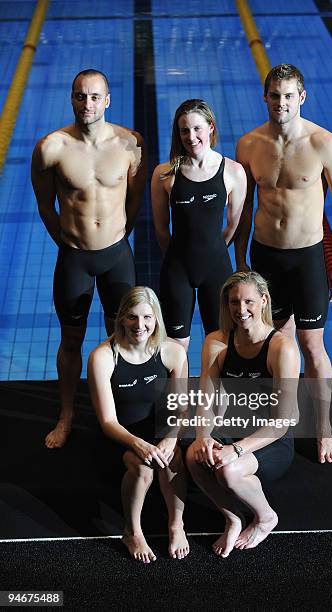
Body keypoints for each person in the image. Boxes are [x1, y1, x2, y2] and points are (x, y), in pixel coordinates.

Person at [235, 64, 332, 464]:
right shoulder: (249, 144)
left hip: (306, 256)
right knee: (275, 343)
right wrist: (239, 258)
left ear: (301, 97)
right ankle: (279, 421)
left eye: (289, 95)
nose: (281, 102)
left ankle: (324, 430)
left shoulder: (324, 144)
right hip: (265, 254)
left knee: (312, 345)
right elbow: (243, 205)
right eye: (275, 95)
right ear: (265, 97)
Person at [31, 69, 147, 449]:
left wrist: (118, 236)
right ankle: (67, 415)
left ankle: (119, 412)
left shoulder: (130, 143)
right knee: (71, 340)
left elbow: (134, 199)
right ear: (71, 98)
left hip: (117, 255)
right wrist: (64, 241)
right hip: (75, 259)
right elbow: (45, 205)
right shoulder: (51, 147)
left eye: (94, 96)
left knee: (126, 337)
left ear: (107, 100)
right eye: (80, 96)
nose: (87, 104)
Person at [186, 271, 300, 558]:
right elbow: (207, 401)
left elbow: (281, 422)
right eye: (234, 302)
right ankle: (233, 518)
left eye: (248, 301)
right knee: (193, 457)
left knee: (228, 470)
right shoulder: (217, 342)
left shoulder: (281, 348)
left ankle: (265, 518)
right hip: (233, 427)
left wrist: (235, 450)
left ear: (263, 301)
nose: (241, 310)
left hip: (271, 439)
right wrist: (203, 437)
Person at [87, 286, 190, 563]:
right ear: (121, 318)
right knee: (143, 467)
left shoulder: (172, 352)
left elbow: (181, 407)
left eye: (147, 317)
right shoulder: (103, 357)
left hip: (158, 431)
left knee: (174, 458)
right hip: (119, 437)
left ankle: (176, 524)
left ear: (156, 318)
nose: (140, 325)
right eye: (132, 317)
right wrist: (138, 444)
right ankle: (132, 531)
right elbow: (108, 421)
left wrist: (170, 438)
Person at [151, 99, 246, 351]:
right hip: (177, 269)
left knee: (220, 344)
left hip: (216, 266)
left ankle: (213, 393)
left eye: (197, 129)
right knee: (175, 345)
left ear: (211, 127)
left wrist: (213, 248)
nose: (191, 137)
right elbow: (161, 230)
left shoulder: (233, 172)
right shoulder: (164, 174)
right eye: (184, 130)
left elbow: (233, 224)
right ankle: (177, 392)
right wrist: (177, 256)